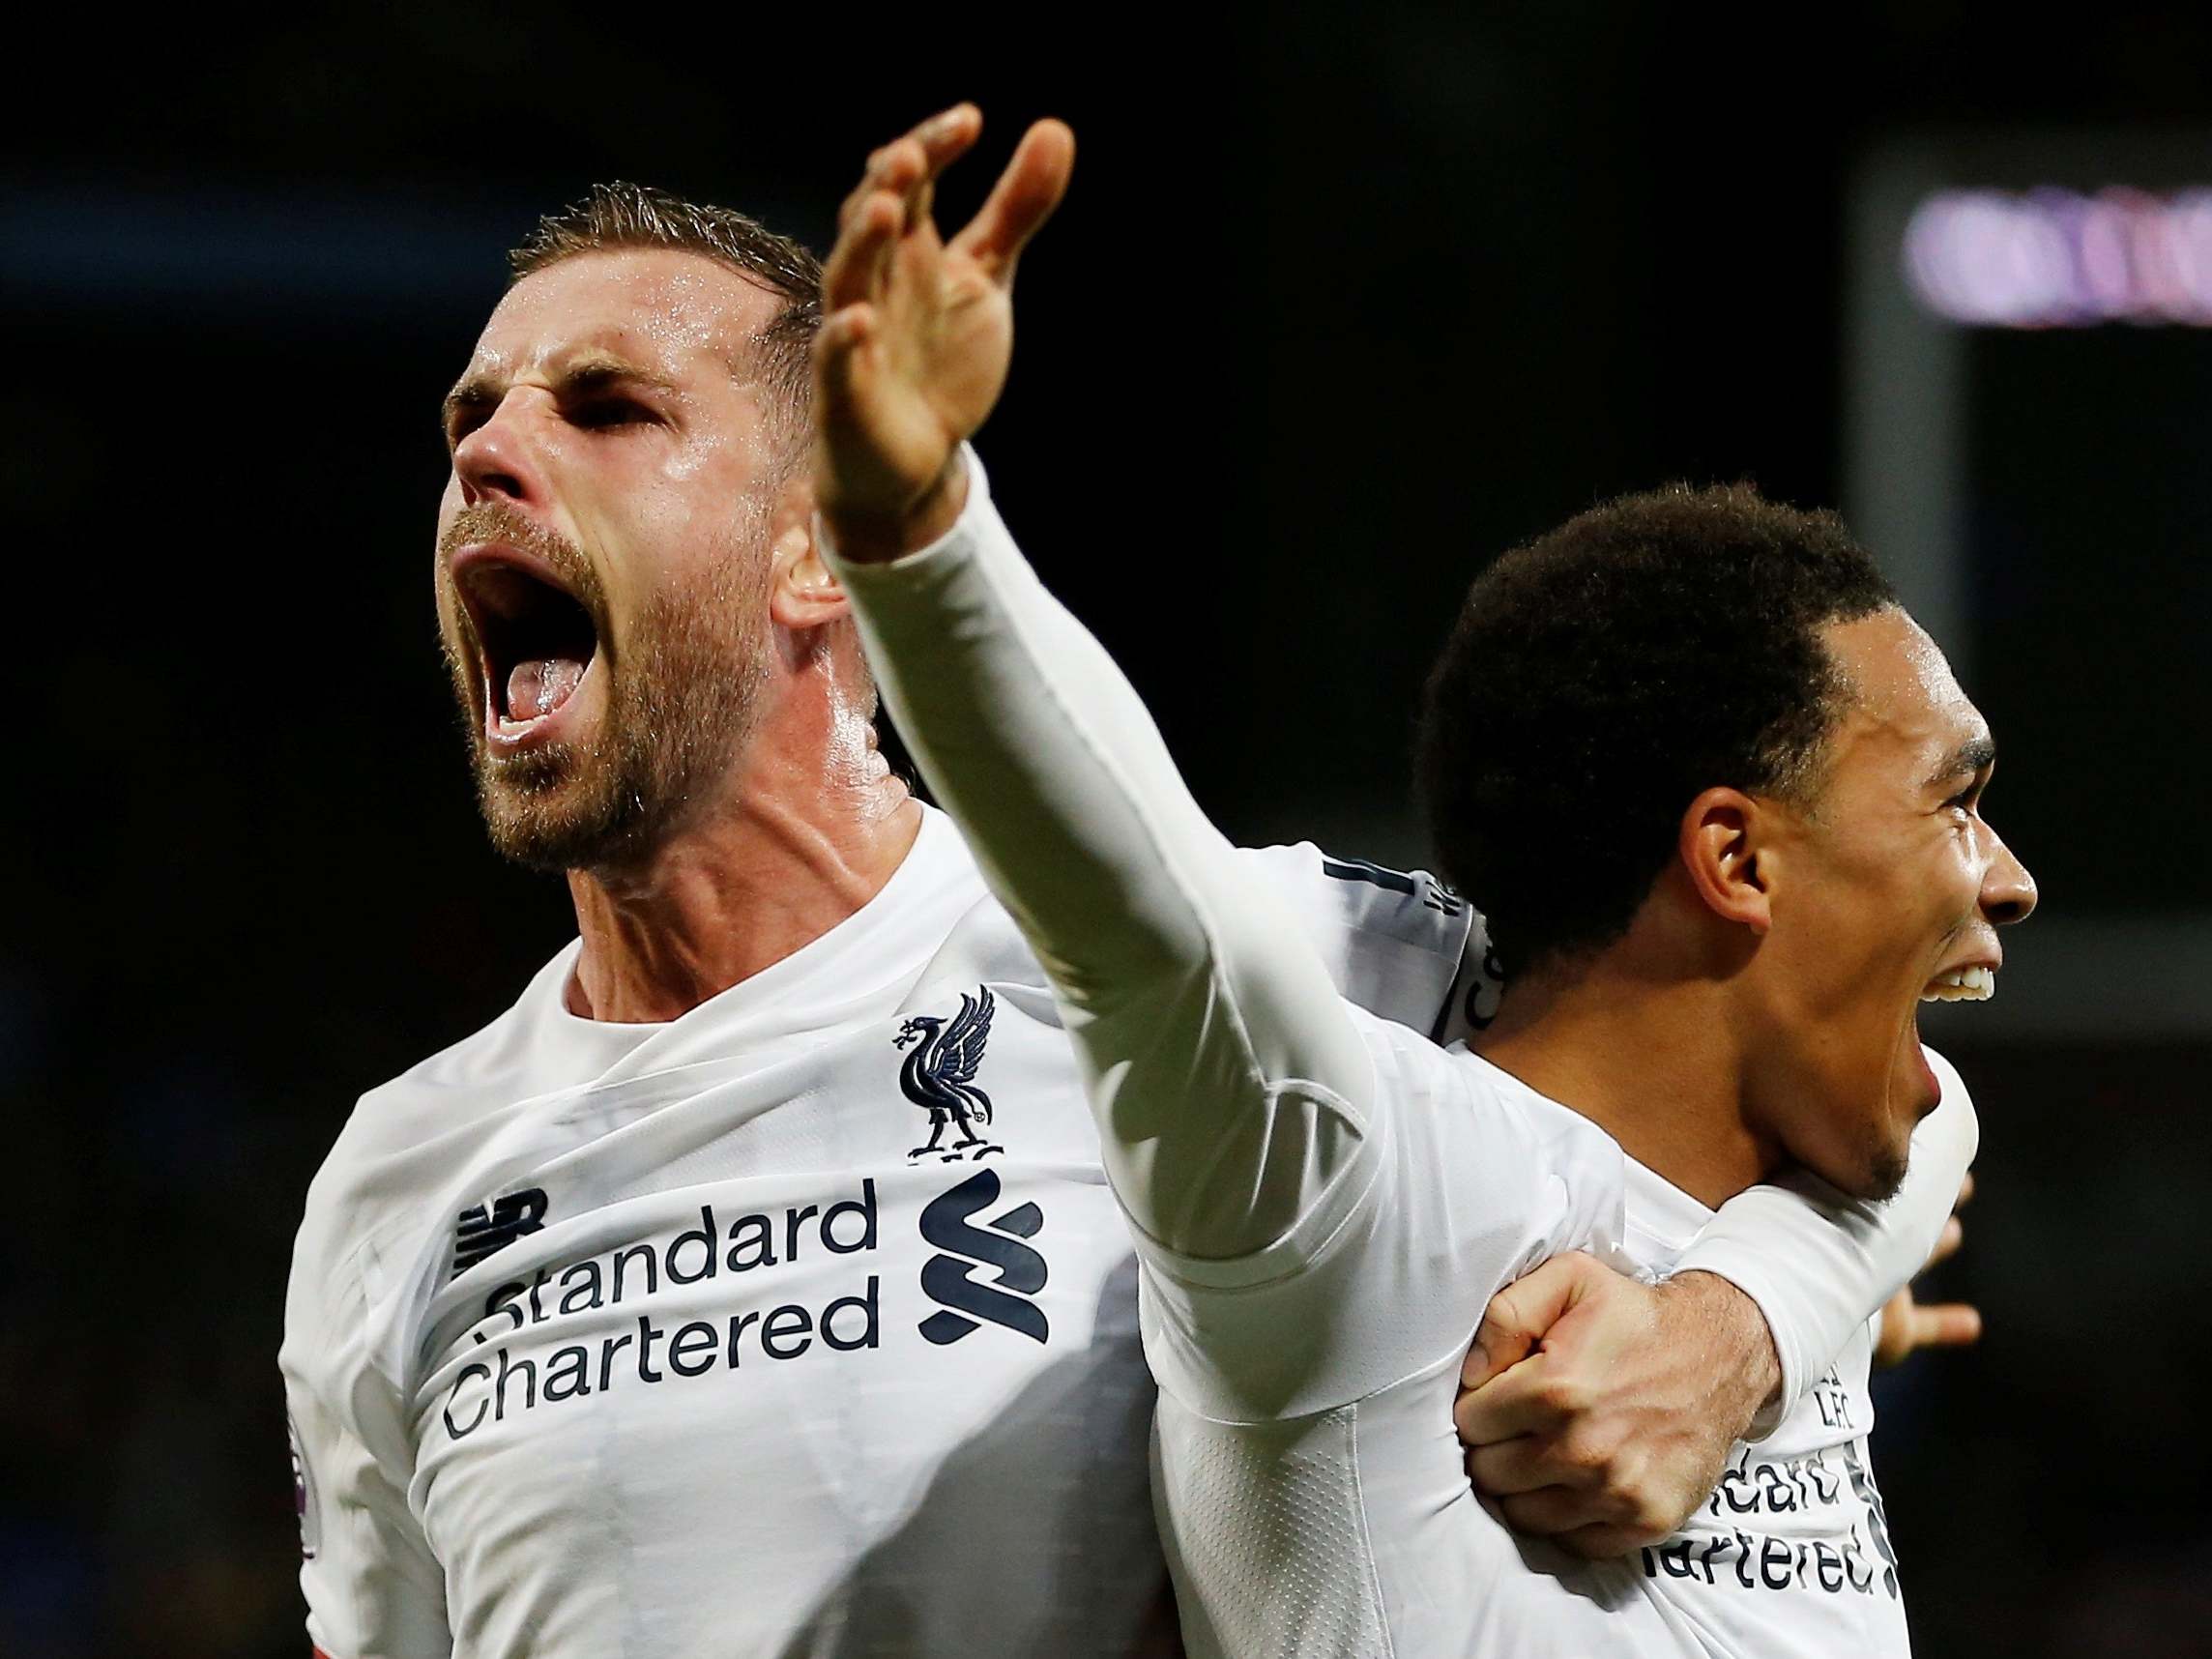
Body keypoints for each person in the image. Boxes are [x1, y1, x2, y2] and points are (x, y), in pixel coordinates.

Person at [279, 114, 1976, 1659]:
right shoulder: (398, 1187)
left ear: (818, 544)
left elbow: (1856, 1070)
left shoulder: (1288, 960)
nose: (486, 457)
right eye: (471, 418)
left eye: (605, 407)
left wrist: (1746, 1317)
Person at [812, 106, 2027, 1656]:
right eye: (1959, 805)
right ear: (1732, 858)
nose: (2011, 881)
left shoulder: (1793, 1201)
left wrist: (1758, 1323)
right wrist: (922, 536)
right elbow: (1146, 926)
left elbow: (1935, 1126)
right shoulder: (1375, 1190)